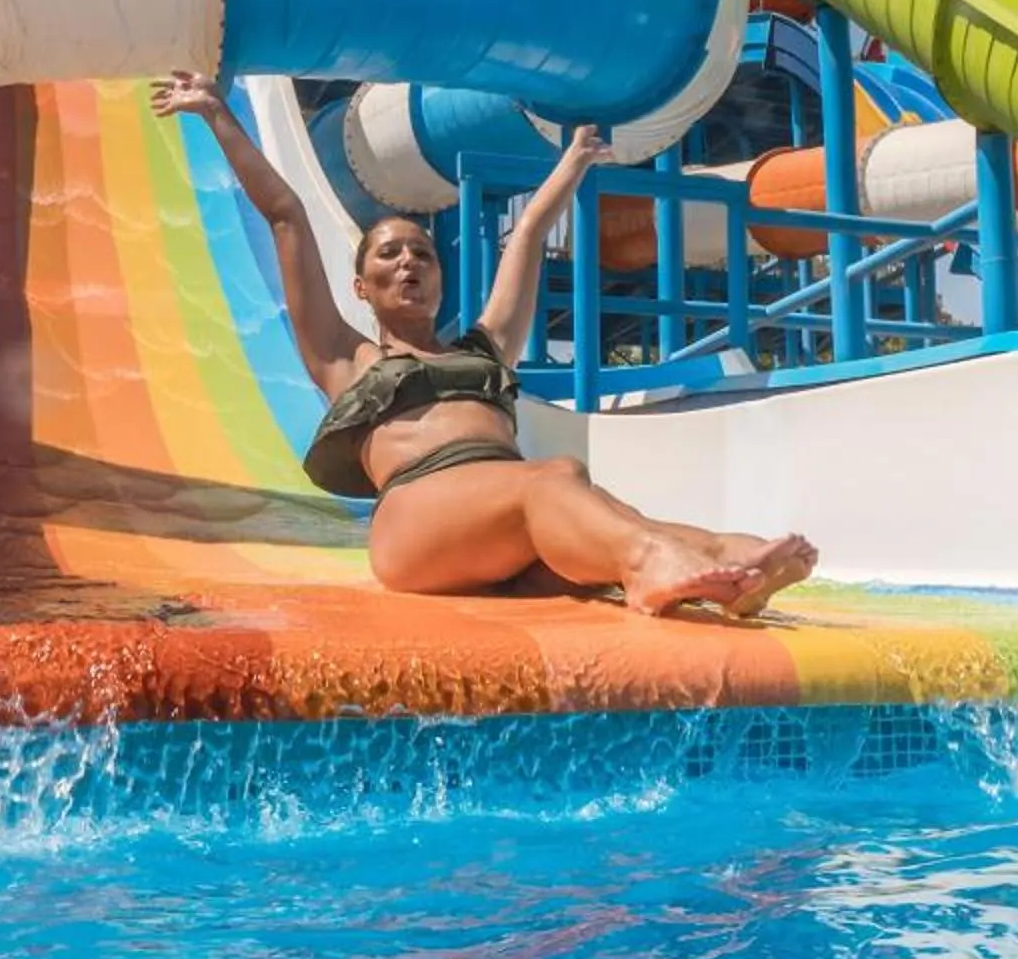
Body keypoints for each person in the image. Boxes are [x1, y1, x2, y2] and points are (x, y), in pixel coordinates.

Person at [152, 73, 819, 618]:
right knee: (558, 479)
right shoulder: (346, 357)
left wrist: (575, 161)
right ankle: (651, 571)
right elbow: (286, 214)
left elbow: (526, 235)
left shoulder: (484, 348)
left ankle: (739, 559)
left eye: (421, 253)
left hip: (502, 525)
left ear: (440, 277)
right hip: (418, 523)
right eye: (390, 255)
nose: (409, 262)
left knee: (616, 513)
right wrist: (217, 114)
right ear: (361, 285)